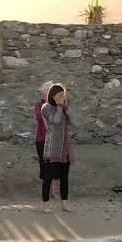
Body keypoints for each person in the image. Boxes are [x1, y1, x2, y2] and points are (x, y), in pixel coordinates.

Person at [40, 83, 75, 212]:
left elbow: (73, 123)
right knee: (48, 176)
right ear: (53, 96)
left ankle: (65, 203)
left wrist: (67, 109)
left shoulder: (63, 109)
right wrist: (59, 107)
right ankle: (45, 204)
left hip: (65, 148)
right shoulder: (46, 107)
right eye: (60, 95)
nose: (62, 98)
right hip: (53, 147)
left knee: (64, 177)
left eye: (63, 96)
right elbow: (55, 120)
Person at [33, 81, 55, 181]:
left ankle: (52, 187)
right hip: (42, 138)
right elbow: (41, 117)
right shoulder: (39, 105)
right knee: (44, 163)